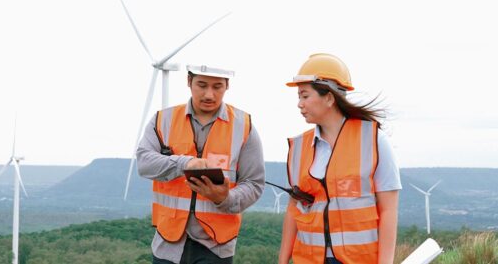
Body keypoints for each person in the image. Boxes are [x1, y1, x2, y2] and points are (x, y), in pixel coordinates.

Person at [278, 53, 402, 264]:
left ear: (329, 97)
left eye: (305, 96)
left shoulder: (373, 140)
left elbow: (388, 210)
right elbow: (293, 211)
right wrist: (282, 261)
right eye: (299, 97)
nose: (299, 104)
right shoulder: (298, 148)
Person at [136, 64, 265, 264]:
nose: (209, 95)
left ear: (227, 86)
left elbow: (254, 183)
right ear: (189, 81)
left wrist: (226, 198)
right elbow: (144, 163)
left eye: (217, 87)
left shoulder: (244, 126)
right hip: (167, 242)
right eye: (202, 85)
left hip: (216, 246)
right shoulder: (163, 120)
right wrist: (184, 163)